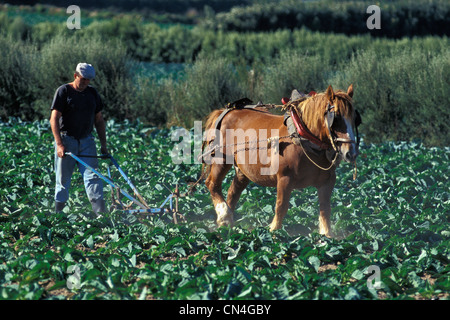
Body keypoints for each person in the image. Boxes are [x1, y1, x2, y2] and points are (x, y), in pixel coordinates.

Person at [50, 63, 108, 214]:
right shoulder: (64, 91)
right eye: (83, 79)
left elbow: (99, 120)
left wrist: (104, 145)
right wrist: (59, 144)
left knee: (93, 177)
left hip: (87, 141)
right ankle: (58, 215)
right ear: (75, 76)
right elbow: (54, 119)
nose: (85, 83)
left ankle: (100, 215)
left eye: (88, 80)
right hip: (67, 140)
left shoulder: (92, 94)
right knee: (63, 180)